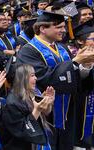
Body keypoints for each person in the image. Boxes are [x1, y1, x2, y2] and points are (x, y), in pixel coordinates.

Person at [17, 11, 94, 149]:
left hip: (68, 108)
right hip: (45, 109)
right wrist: (75, 62)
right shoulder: (28, 51)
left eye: (63, 27)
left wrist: (85, 67)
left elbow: (74, 76)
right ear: (42, 28)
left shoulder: (62, 48)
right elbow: (43, 77)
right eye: (59, 27)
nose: (63, 30)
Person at [0, 64, 55, 149]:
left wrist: (48, 103)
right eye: (32, 75)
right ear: (22, 78)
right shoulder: (12, 103)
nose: (36, 78)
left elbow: (46, 113)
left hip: (38, 142)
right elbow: (23, 131)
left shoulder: (34, 92)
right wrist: (37, 109)